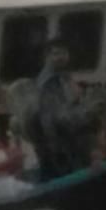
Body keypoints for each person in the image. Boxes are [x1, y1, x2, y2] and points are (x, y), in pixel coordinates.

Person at [30, 37, 96, 180]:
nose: (61, 57)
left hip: (69, 141)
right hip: (57, 145)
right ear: (46, 57)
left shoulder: (63, 77)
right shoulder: (49, 82)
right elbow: (50, 117)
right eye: (56, 53)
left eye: (64, 53)